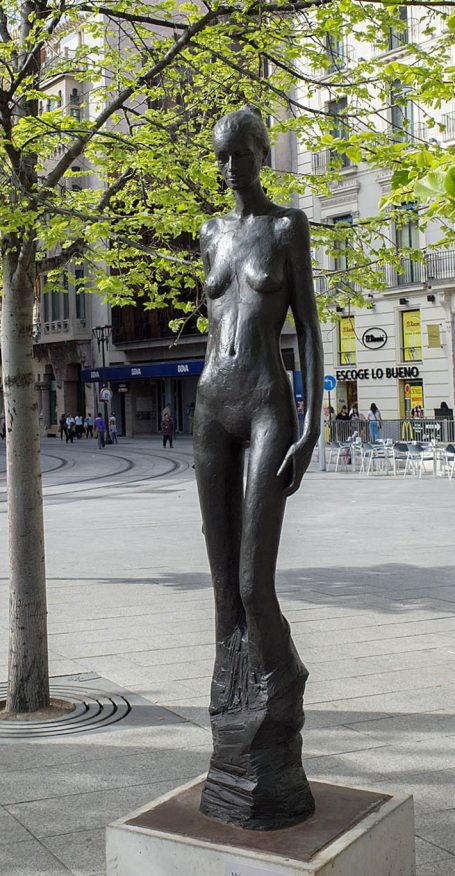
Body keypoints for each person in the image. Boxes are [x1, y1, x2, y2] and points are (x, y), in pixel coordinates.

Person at [193, 106, 322, 827]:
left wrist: (309, 428)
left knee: (252, 581)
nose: (228, 169)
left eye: (238, 156)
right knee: (220, 590)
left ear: (260, 157)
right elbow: (216, 319)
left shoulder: (286, 227)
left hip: (268, 405)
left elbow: (306, 324)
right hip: (211, 405)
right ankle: (232, 724)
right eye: (219, 158)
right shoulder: (210, 233)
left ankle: (278, 686)